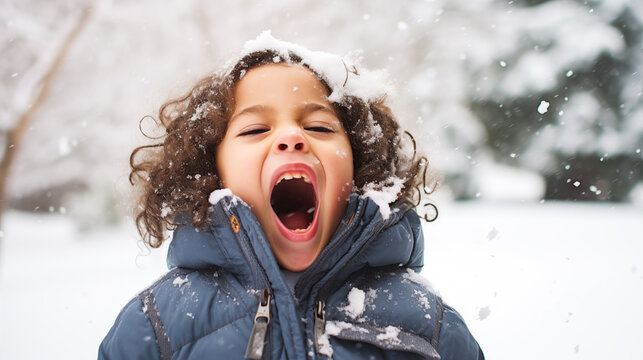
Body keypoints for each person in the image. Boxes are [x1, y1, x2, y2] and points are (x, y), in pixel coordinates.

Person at [99, 31, 484, 360]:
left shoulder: (428, 325)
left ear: (359, 165)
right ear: (211, 173)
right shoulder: (157, 324)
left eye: (318, 126)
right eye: (254, 131)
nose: (291, 137)